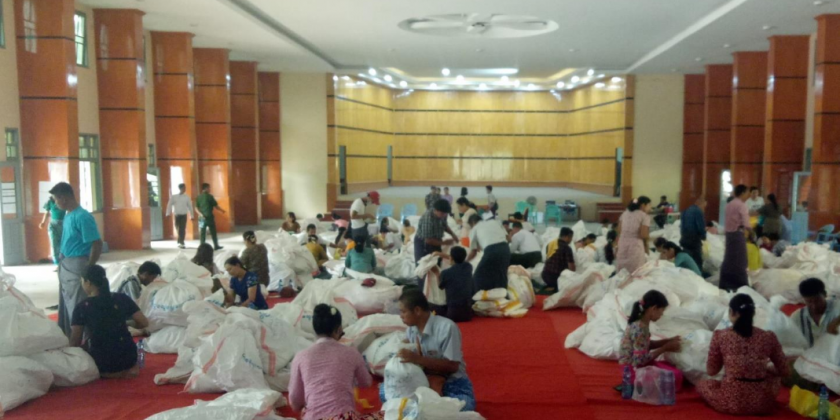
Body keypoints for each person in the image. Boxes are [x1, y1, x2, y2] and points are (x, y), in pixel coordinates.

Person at [697, 294, 788, 416]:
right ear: (753, 313)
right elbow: (785, 371)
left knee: (703, 384)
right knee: (772, 375)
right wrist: (765, 368)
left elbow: (712, 371)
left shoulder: (721, 336)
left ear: (731, 312)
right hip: (762, 404)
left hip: (731, 402)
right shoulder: (768, 336)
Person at [289, 304, 381, 420]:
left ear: (315, 329)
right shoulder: (351, 353)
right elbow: (366, 382)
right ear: (338, 329)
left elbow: (295, 401)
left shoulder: (301, 357)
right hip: (344, 417)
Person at [389, 289, 476, 411]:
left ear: (417, 310)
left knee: (464, 406)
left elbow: (453, 366)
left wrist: (417, 359)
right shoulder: (411, 330)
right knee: (385, 392)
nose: (401, 316)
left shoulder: (447, 327)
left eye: (403, 311)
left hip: (452, 382)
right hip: (424, 381)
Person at [71, 265, 148, 379]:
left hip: (101, 361)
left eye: (82, 281)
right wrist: (125, 324)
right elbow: (144, 322)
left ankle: (107, 373)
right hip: (128, 356)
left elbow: (75, 342)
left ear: (88, 283)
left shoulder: (82, 307)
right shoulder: (121, 298)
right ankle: (125, 370)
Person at [50, 182, 103, 337]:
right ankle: (70, 337)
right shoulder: (68, 215)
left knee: (78, 305)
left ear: (64, 198)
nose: (55, 203)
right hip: (66, 264)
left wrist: (89, 269)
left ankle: (84, 342)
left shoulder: (83, 216)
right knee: (67, 304)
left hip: (78, 265)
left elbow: (96, 243)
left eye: (56, 199)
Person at [618, 290, 681, 391]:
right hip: (632, 371)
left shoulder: (641, 323)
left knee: (671, 367)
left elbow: (646, 345)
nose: (661, 315)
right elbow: (639, 361)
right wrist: (664, 348)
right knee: (675, 376)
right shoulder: (640, 328)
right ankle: (635, 384)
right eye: (661, 311)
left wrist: (668, 341)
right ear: (654, 309)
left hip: (636, 365)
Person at [791, 278, 840, 347]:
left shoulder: (837, 308)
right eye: (809, 302)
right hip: (808, 353)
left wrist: (836, 322)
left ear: (825, 294)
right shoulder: (797, 317)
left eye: (817, 301)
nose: (814, 306)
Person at [720, 184, 751, 291]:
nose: (748, 195)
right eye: (747, 192)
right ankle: (741, 285)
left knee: (729, 259)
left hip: (729, 235)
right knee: (740, 261)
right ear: (742, 193)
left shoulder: (729, 204)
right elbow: (746, 223)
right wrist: (752, 232)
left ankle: (725, 283)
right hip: (737, 235)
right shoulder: (742, 205)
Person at [466, 215, 510, 291]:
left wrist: (465, 262)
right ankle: (503, 296)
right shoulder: (494, 222)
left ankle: (477, 296)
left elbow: (473, 252)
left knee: (478, 277)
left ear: (472, 223)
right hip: (505, 249)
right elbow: (508, 238)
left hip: (492, 251)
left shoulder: (474, 229)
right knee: (500, 275)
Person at [436, 247, 474, 323]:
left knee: (431, 306)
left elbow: (440, 287)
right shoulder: (468, 267)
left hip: (452, 315)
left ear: (451, 258)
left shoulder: (445, 273)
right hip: (468, 314)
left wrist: (436, 273)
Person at [615, 196, 652, 275]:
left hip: (622, 243)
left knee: (622, 270)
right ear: (643, 205)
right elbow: (643, 235)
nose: (650, 208)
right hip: (635, 245)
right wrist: (648, 243)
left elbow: (619, 231)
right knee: (635, 271)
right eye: (649, 205)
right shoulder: (644, 216)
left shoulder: (624, 214)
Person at [541, 227, 576, 293]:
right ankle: (554, 288)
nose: (571, 240)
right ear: (567, 237)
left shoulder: (550, 244)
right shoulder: (567, 248)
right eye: (571, 237)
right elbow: (571, 268)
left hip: (545, 275)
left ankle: (550, 287)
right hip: (557, 278)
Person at [196, 183, 226, 250]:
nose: (210, 189)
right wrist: (222, 210)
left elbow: (196, 208)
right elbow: (216, 206)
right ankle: (216, 245)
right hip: (209, 217)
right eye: (209, 188)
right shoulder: (210, 197)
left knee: (202, 233)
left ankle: (202, 247)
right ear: (206, 188)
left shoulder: (199, 197)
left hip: (201, 218)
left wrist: (200, 214)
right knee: (213, 232)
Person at [680, 196, 707, 270]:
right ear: (700, 203)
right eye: (704, 206)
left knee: (688, 261)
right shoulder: (698, 211)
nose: (704, 209)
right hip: (694, 240)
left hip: (684, 239)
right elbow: (700, 226)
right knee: (697, 262)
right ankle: (698, 275)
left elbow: (682, 226)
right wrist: (704, 236)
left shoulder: (685, 211)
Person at [165, 183, 194, 249]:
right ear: (180, 188)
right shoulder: (174, 197)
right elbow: (169, 205)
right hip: (177, 215)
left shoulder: (187, 197)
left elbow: (190, 207)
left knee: (182, 228)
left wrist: (191, 216)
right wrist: (168, 213)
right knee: (177, 228)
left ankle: (181, 242)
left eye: (185, 188)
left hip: (184, 215)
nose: (185, 189)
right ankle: (180, 240)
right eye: (184, 188)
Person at [39, 196, 66, 265]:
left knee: (63, 243)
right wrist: (43, 222)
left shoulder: (64, 200)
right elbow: (46, 212)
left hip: (63, 224)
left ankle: (63, 261)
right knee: (53, 243)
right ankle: (57, 262)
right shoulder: (50, 202)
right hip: (53, 225)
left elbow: (69, 211)